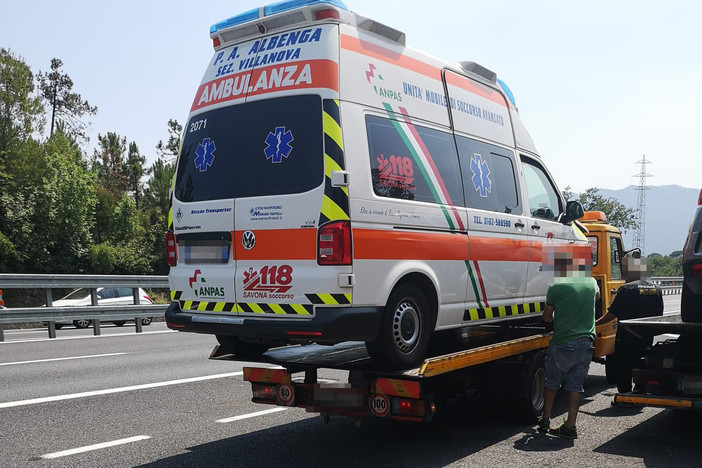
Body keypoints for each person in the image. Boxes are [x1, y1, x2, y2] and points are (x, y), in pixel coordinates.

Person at [537, 250, 600, 439]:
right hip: (585, 343)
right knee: (575, 386)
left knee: (552, 383)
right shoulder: (592, 283)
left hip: (563, 342)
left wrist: (559, 314)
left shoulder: (556, 286)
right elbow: (595, 299)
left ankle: (546, 419)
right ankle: (571, 425)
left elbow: (547, 317)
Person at [605, 257, 664, 393]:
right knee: (643, 362)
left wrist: (595, 324)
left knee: (624, 366)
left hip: (627, 337)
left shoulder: (627, 288)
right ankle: (640, 389)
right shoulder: (656, 289)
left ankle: (625, 393)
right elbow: (659, 314)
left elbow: (612, 314)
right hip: (646, 336)